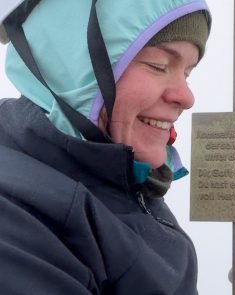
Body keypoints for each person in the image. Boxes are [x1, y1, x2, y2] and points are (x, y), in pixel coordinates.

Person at [0, 0, 210, 294]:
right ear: (70, 67)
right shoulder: (14, 221)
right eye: (158, 65)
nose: (186, 97)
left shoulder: (116, 179)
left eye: (187, 72)